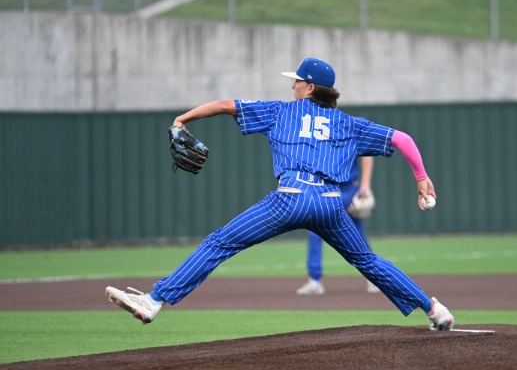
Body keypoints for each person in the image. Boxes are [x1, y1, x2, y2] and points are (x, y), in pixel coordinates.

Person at [105, 57, 454, 331]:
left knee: (219, 243)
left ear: (310, 87)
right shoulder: (348, 124)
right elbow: (403, 139)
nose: (292, 86)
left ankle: (155, 300)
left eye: (297, 81)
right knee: (368, 261)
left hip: (290, 198)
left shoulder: (280, 111)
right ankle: (434, 309)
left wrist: (182, 119)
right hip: (331, 204)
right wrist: (421, 178)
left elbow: (226, 104)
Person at [297, 156, 381, 295]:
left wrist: (365, 186)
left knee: (356, 234)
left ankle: (374, 277)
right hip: (324, 189)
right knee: (314, 230)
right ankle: (314, 280)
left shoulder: (351, 139)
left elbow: (366, 156)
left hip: (349, 188)